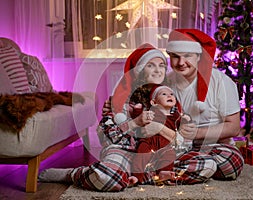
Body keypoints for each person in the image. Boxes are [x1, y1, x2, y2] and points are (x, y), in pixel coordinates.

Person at [38, 43, 175, 191]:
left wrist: (160, 129)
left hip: (157, 154)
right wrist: (135, 123)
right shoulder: (120, 99)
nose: (158, 71)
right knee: (108, 178)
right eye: (150, 65)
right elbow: (107, 137)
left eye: (161, 65)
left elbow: (180, 136)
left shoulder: (170, 97)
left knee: (199, 165)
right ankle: (73, 174)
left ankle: (139, 175)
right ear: (139, 71)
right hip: (126, 151)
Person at [165, 29, 244, 181]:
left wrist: (197, 133)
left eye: (187, 56)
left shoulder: (221, 82)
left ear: (198, 56)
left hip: (215, 146)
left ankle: (171, 169)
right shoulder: (165, 83)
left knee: (231, 164)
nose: (181, 63)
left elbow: (233, 127)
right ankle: (189, 168)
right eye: (175, 56)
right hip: (177, 146)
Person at [130, 83, 192, 185]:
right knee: (141, 152)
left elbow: (182, 128)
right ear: (154, 102)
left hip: (166, 143)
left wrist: (186, 119)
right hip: (149, 141)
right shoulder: (152, 112)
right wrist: (137, 110)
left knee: (169, 154)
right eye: (163, 94)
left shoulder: (176, 116)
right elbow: (141, 118)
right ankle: (136, 176)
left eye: (172, 94)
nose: (169, 96)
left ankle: (163, 172)